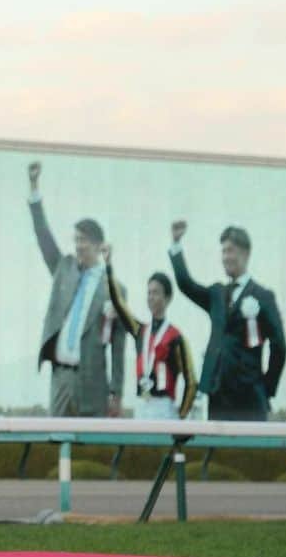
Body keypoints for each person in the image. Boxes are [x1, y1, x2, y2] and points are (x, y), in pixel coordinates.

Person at [28, 162, 126, 417]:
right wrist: (34, 189)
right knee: (56, 441)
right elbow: (43, 238)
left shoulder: (114, 289)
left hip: (92, 381)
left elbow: (118, 345)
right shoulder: (64, 269)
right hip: (61, 376)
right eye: (76, 240)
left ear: (97, 245)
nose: (78, 246)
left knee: (89, 442)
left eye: (83, 241)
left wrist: (116, 391)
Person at [168, 221, 286, 421]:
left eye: (230, 251)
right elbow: (187, 285)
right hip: (218, 391)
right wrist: (176, 244)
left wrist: (267, 387)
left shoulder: (263, 296)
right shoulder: (217, 294)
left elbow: (279, 346)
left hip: (249, 394)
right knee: (221, 450)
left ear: (246, 253)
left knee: (249, 451)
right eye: (223, 252)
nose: (225, 257)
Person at [102, 246, 197, 419]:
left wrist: (182, 416)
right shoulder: (140, 330)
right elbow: (118, 303)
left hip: (164, 407)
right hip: (141, 405)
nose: (151, 297)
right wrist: (108, 266)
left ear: (167, 298)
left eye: (156, 293)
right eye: (148, 293)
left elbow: (191, 381)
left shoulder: (176, 337)